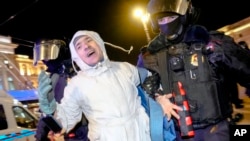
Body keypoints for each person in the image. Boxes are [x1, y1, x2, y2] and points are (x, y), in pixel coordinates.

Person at [139, 0, 250, 141]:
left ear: (184, 16)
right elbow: (140, 92)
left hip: (216, 130)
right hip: (176, 133)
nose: (166, 22)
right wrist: (156, 99)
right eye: (161, 19)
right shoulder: (150, 56)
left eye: (171, 17)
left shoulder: (211, 43)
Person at [44, 30, 151, 141]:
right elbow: (67, 117)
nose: (86, 46)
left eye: (89, 40)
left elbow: (150, 79)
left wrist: (159, 97)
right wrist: (54, 119)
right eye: (79, 46)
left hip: (141, 135)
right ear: (77, 56)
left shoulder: (125, 68)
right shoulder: (77, 84)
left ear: (99, 43)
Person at [34, 39, 89, 141]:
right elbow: (46, 114)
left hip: (82, 132)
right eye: (43, 55)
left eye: (47, 53)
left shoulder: (77, 73)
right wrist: (40, 136)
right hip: (65, 133)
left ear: (59, 52)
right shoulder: (53, 77)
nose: (45, 59)